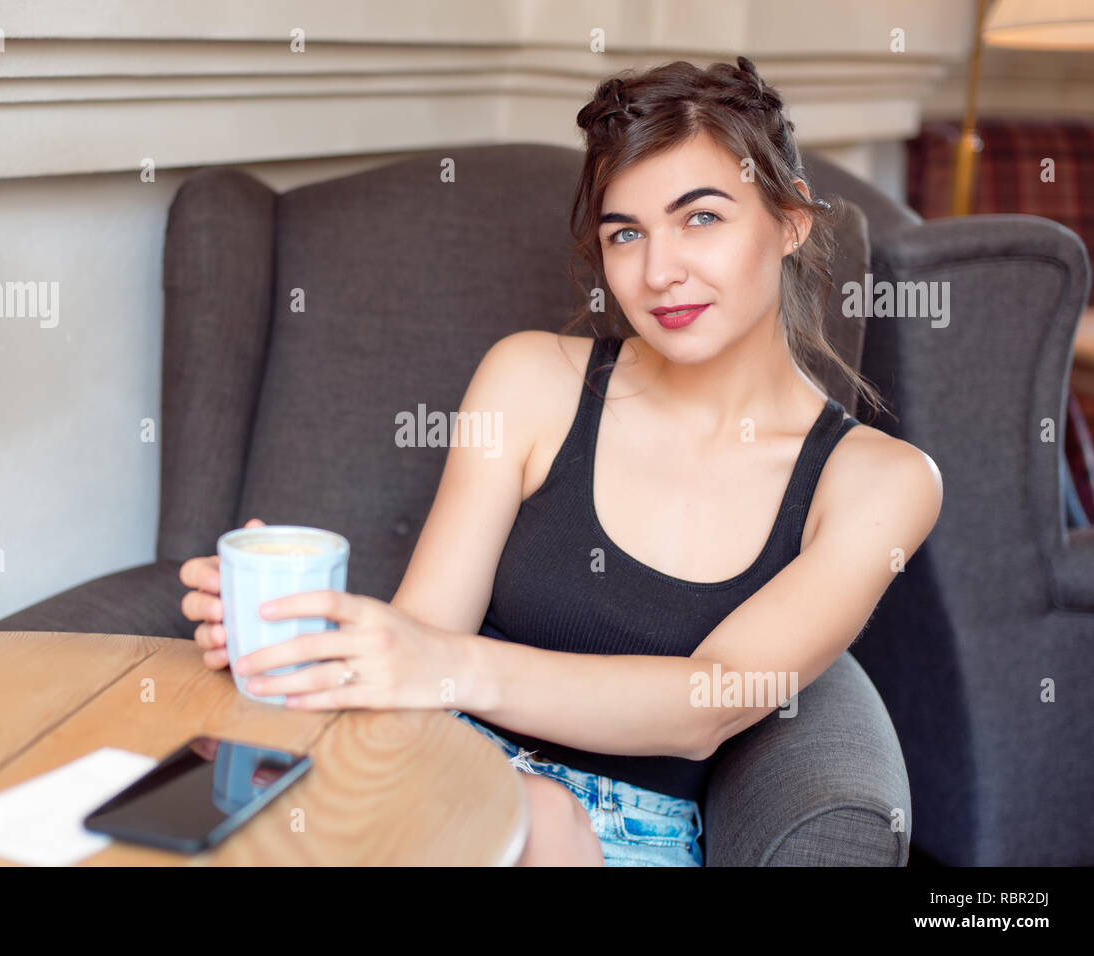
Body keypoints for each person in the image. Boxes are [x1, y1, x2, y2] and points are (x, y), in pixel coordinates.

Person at [177, 56, 943, 866]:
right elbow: (424, 636)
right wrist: (303, 639)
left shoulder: (880, 483)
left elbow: (707, 704)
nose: (657, 272)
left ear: (791, 221)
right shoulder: (529, 380)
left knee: (541, 816)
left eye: (702, 218)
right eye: (626, 233)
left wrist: (448, 669)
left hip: (624, 837)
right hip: (435, 774)